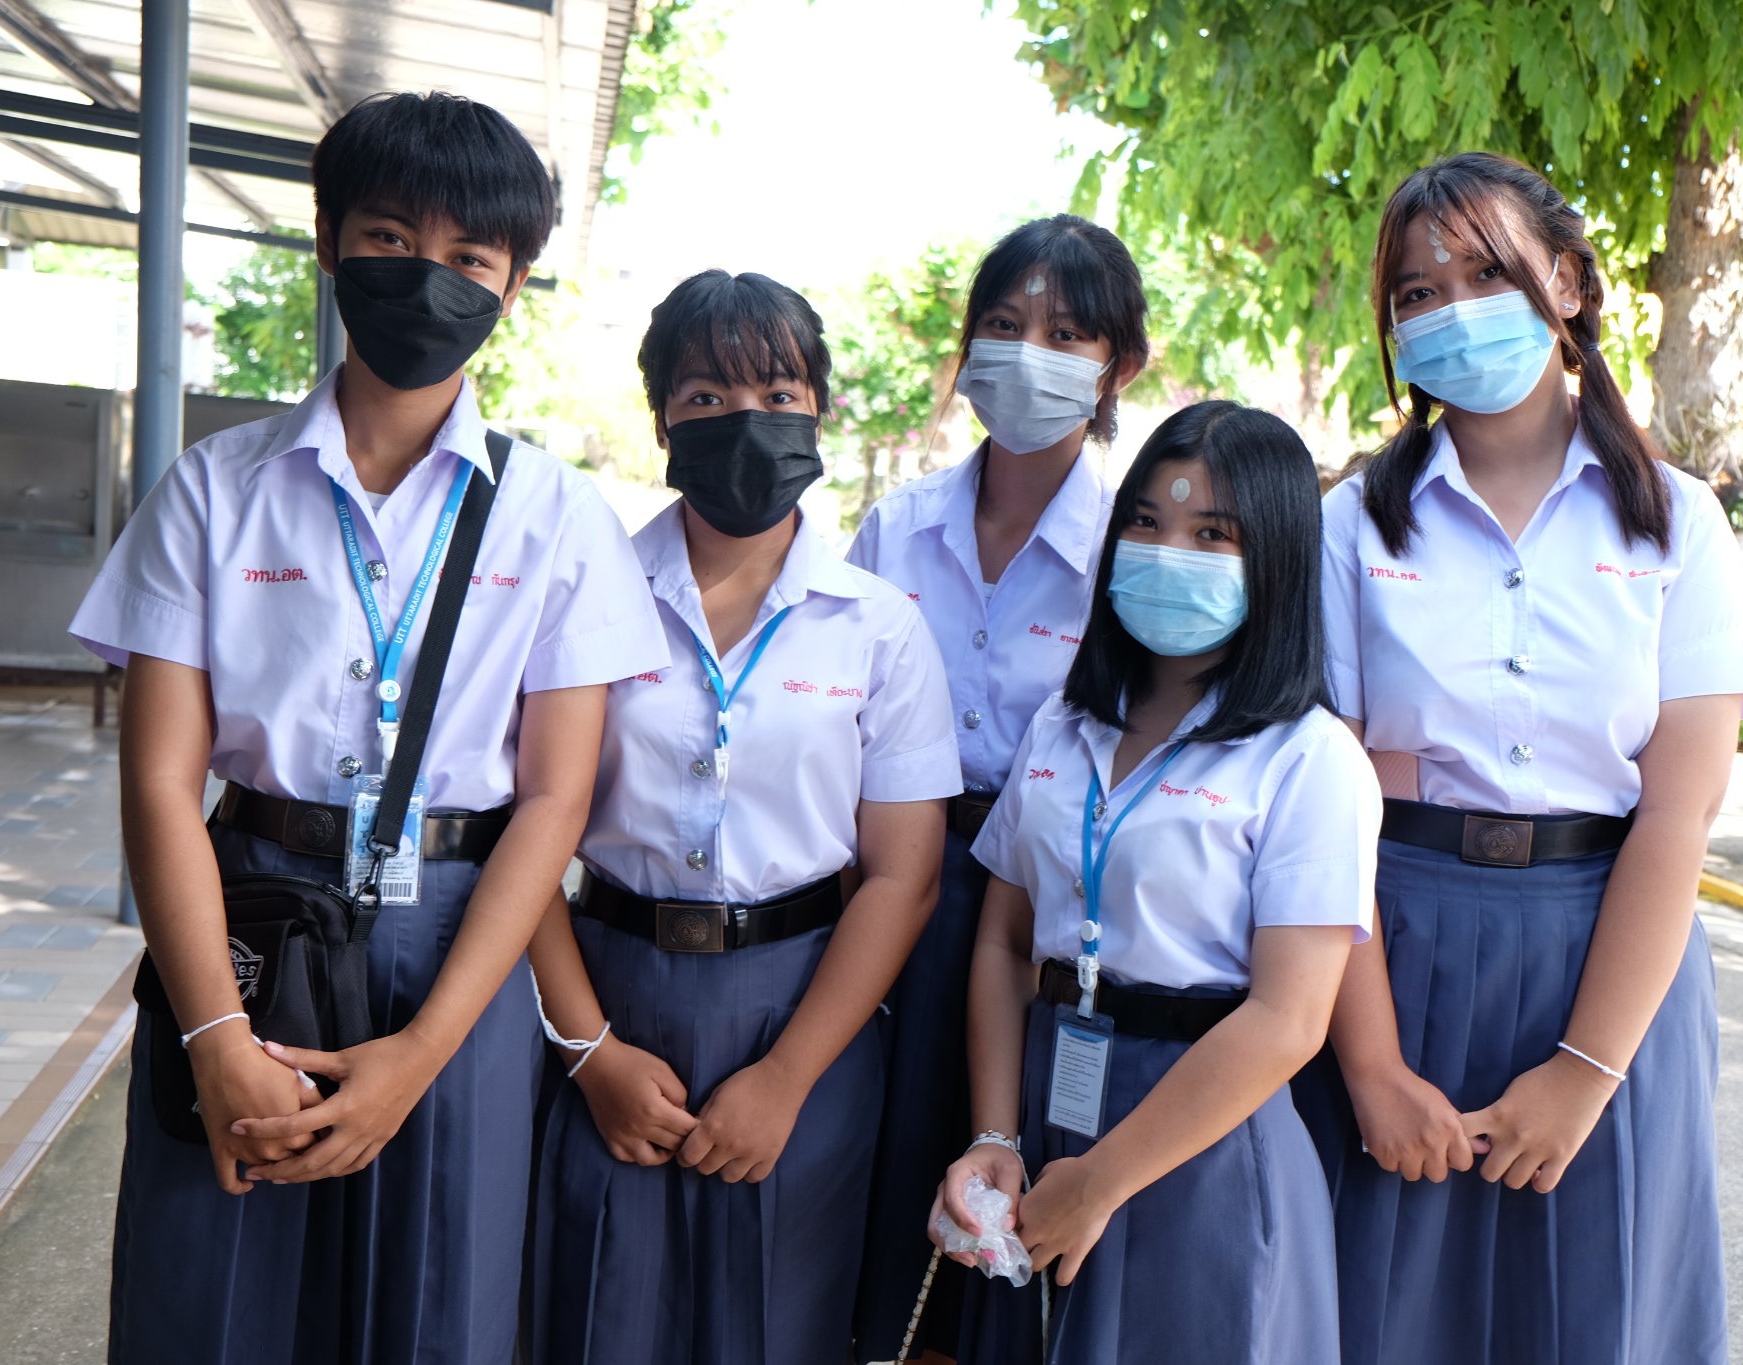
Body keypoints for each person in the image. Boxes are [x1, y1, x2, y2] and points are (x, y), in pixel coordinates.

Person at [68, 92, 662, 1365]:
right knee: (209, 1298)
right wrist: (213, 1035)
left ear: (514, 284)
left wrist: (424, 1052)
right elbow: (162, 782)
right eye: (391, 239)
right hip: (250, 927)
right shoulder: (216, 491)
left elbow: (554, 801)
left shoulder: (557, 519)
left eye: (471, 260)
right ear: (328, 243)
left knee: (435, 1314)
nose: (428, 280)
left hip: (460, 942)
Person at [1305, 151, 1743, 1365]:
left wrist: (1583, 1069)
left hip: (1608, 961)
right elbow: (1324, 808)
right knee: (1377, 1311)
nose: (1449, 307)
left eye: (1482, 270)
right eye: (1414, 292)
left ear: (1564, 283)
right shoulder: (1352, 525)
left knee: (1594, 1315)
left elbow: (1677, 815)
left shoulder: (1679, 522)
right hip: (1391, 952)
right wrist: (1368, 1065)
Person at [523, 269, 959, 1365]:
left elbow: (901, 877)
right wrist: (587, 1052)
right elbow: (527, 832)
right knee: (595, 1313)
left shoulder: (879, 628)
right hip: (611, 986)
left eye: (777, 390)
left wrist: (786, 1078)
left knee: (779, 1326)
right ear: (660, 415)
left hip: (802, 1004)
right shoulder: (588, 596)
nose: (746, 421)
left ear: (820, 404)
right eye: (706, 397)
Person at [936, 400, 1380, 1364]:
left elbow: (1289, 1019)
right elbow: (1008, 945)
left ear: (1278, 557)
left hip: (1201, 1134)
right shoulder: (1064, 725)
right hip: (1051, 1094)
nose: (1167, 549)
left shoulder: (1311, 759)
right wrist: (995, 1136)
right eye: (1146, 520)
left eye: (1211, 533)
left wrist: (1101, 1180)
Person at [846, 214, 1149, 1362]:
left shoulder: (1138, 546)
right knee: (886, 1175)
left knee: (1018, 1183)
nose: (1028, 350)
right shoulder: (897, 527)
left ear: (1120, 366)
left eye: (1065, 332)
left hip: (1046, 910)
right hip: (896, 884)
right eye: (1003, 325)